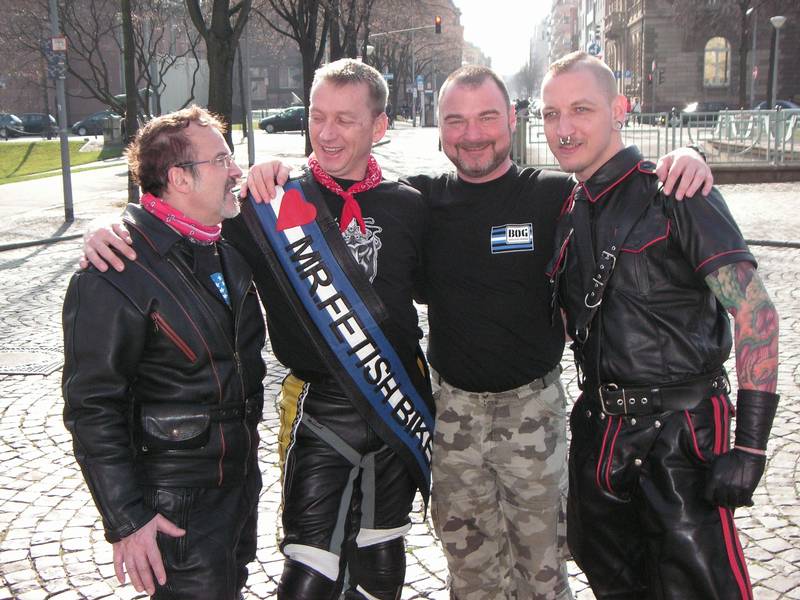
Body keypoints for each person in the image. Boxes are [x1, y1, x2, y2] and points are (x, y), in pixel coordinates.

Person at [239, 65, 712, 599]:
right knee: (470, 576)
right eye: (455, 121)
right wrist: (274, 172)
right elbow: (348, 189)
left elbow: (619, 182)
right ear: (439, 129)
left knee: (542, 575)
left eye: (486, 117)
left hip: (533, 414)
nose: (472, 134)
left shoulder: (554, 195)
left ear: (511, 119)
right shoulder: (420, 201)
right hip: (451, 418)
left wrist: (685, 157)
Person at [80, 59, 434, 600]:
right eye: (317, 116)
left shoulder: (412, 203)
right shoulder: (265, 202)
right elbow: (176, 220)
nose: (327, 132)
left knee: (383, 554)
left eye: (345, 119)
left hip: (396, 403)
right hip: (319, 409)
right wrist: (109, 225)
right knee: (310, 567)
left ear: (380, 126)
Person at [542, 51, 779, 599]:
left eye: (581, 109)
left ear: (619, 109)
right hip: (600, 435)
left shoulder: (676, 191)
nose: (564, 127)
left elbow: (755, 312)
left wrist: (750, 447)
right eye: (551, 113)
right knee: (616, 586)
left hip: (680, 436)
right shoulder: (570, 208)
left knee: (701, 587)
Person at [62, 106, 266, 599]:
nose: (235, 170)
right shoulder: (116, 270)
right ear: (179, 178)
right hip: (174, 504)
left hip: (237, 488)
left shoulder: (224, 246)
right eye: (222, 159)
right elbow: (92, 406)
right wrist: (127, 518)